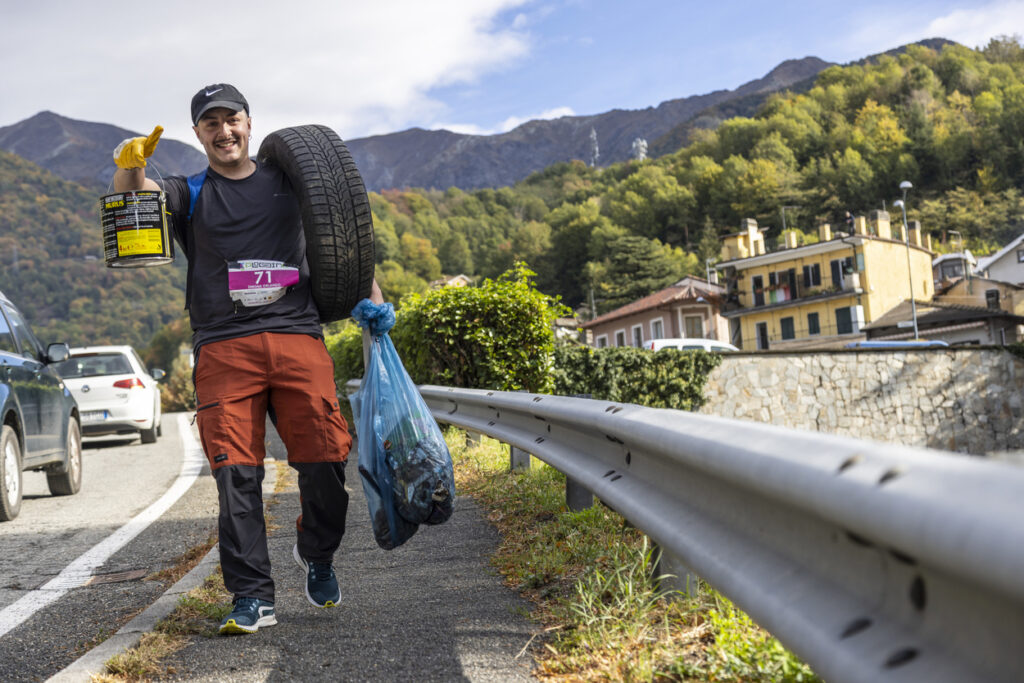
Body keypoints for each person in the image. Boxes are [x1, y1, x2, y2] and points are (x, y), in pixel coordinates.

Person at [111, 83, 382, 635]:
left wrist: (372, 299)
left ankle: (317, 551)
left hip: (296, 334)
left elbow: (343, 235)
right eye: (210, 124)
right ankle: (252, 597)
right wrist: (130, 164)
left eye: (231, 119)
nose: (224, 131)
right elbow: (135, 196)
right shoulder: (188, 190)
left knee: (327, 463)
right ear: (198, 135)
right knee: (236, 476)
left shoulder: (292, 178)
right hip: (223, 346)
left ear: (249, 123)